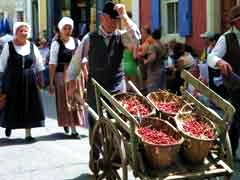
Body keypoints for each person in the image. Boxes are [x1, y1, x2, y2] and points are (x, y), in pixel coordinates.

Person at [65, 1, 141, 134]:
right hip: (96, 90)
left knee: (118, 126)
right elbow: (76, 62)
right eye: (112, 20)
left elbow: (136, 39)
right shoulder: (89, 38)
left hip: (117, 89)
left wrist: (124, 16)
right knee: (96, 128)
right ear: (102, 18)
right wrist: (71, 85)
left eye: (117, 21)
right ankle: (95, 151)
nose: (114, 24)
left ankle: (117, 153)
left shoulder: (121, 36)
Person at [0, 22, 45, 140]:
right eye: (21, 31)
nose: (24, 33)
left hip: (29, 80)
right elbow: (2, 65)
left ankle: (28, 133)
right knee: (11, 104)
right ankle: (9, 125)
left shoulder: (32, 46)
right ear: (15, 33)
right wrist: (2, 82)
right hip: (12, 80)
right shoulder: (8, 46)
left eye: (25, 31)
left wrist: (41, 79)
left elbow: (39, 63)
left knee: (28, 105)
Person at [207, 5, 240, 159]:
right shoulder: (225, 38)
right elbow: (211, 57)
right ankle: (230, 152)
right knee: (236, 117)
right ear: (236, 21)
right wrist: (220, 62)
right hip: (236, 85)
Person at [48, 17, 85, 137]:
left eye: (70, 28)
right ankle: (73, 129)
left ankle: (71, 123)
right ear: (60, 29)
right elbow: (52, 64)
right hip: (61, 76)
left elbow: (82, 59)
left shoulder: (77, 42)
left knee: (75, 101)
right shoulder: (56, 44)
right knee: (66, 101)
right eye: (65, 28)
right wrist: (51, 82)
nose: (68, 30)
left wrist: (86, 73)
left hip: (75, 75)